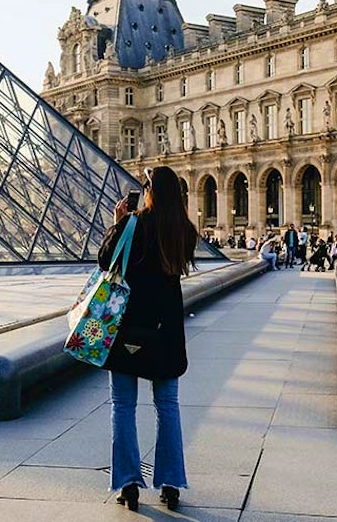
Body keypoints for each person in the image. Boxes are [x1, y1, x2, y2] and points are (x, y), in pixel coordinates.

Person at [99, 166, 195, 512]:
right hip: (165, 332)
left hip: (127, 326)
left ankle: (128, 484)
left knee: (123, 407)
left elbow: (105, 263)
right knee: (167, 406)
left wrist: (117, 221)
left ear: (151, 191)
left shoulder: (133, 224)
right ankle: (170, 483)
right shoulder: (184, 230)